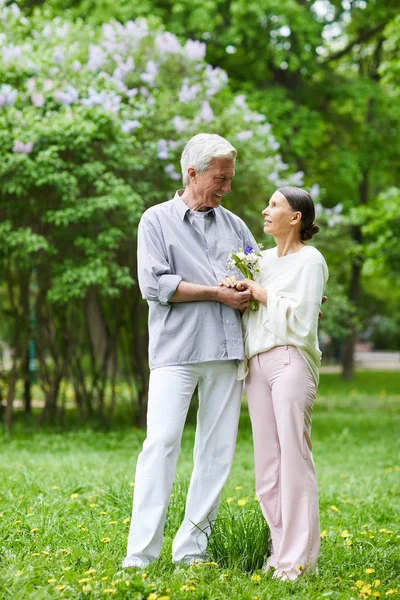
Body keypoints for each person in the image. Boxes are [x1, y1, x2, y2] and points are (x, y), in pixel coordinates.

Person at [122, 133, 257, 568]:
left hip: (226, 350)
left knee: (215, 454)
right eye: (220, 178)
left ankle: (191, 551)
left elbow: (259, 272)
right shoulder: (155, 221)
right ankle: (141, 555)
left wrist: (291, 291)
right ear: (192, 173)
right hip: (176, 353)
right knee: (160, 445)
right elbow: (155, 285)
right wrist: (218, 295)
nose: (227, 188)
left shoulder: (235, 225)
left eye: (230, 179)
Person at [220, 186, 328, 581]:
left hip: (291, 361)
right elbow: (252, 309)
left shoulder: (311, 260)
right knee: (267, 468)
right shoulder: (259, 261)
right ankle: (279, 553)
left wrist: (262, 293)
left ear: (295, 217)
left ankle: (298, 562)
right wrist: (240, 290)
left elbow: (302, 320)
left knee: (293, 460)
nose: (265, 211)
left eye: (274, 205)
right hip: (256, 366)